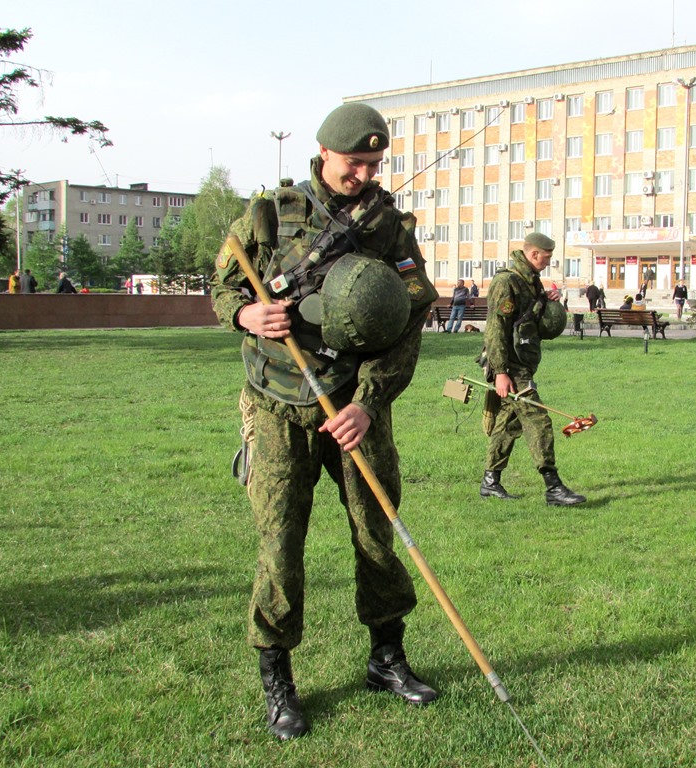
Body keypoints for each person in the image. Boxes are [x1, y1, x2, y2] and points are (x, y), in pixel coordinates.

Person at [210, 103, 441, 741]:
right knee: (281, 541)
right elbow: (224, 285)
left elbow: (409, 322)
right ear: (322, 152)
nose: (363, 174)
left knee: (376, 532)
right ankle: (278, 680)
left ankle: (387, 659)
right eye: (353, 162)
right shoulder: (267, 215)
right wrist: (245, 317)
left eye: (374, 164)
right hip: (278, 400)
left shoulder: (389, 229)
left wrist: (368, 401)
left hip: (353, 407)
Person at [479, 232, 586, 506]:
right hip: (511, 367)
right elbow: (495, 329)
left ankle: (490, 483)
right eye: (547, 257)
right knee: (539, 421)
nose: (548, 262)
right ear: (534, 254)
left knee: (507, 423)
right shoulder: (507, 281)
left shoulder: (531, 282)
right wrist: (501, 372)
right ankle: (553, 487)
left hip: (522, 362)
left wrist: (546, 300)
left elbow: (526, 318)